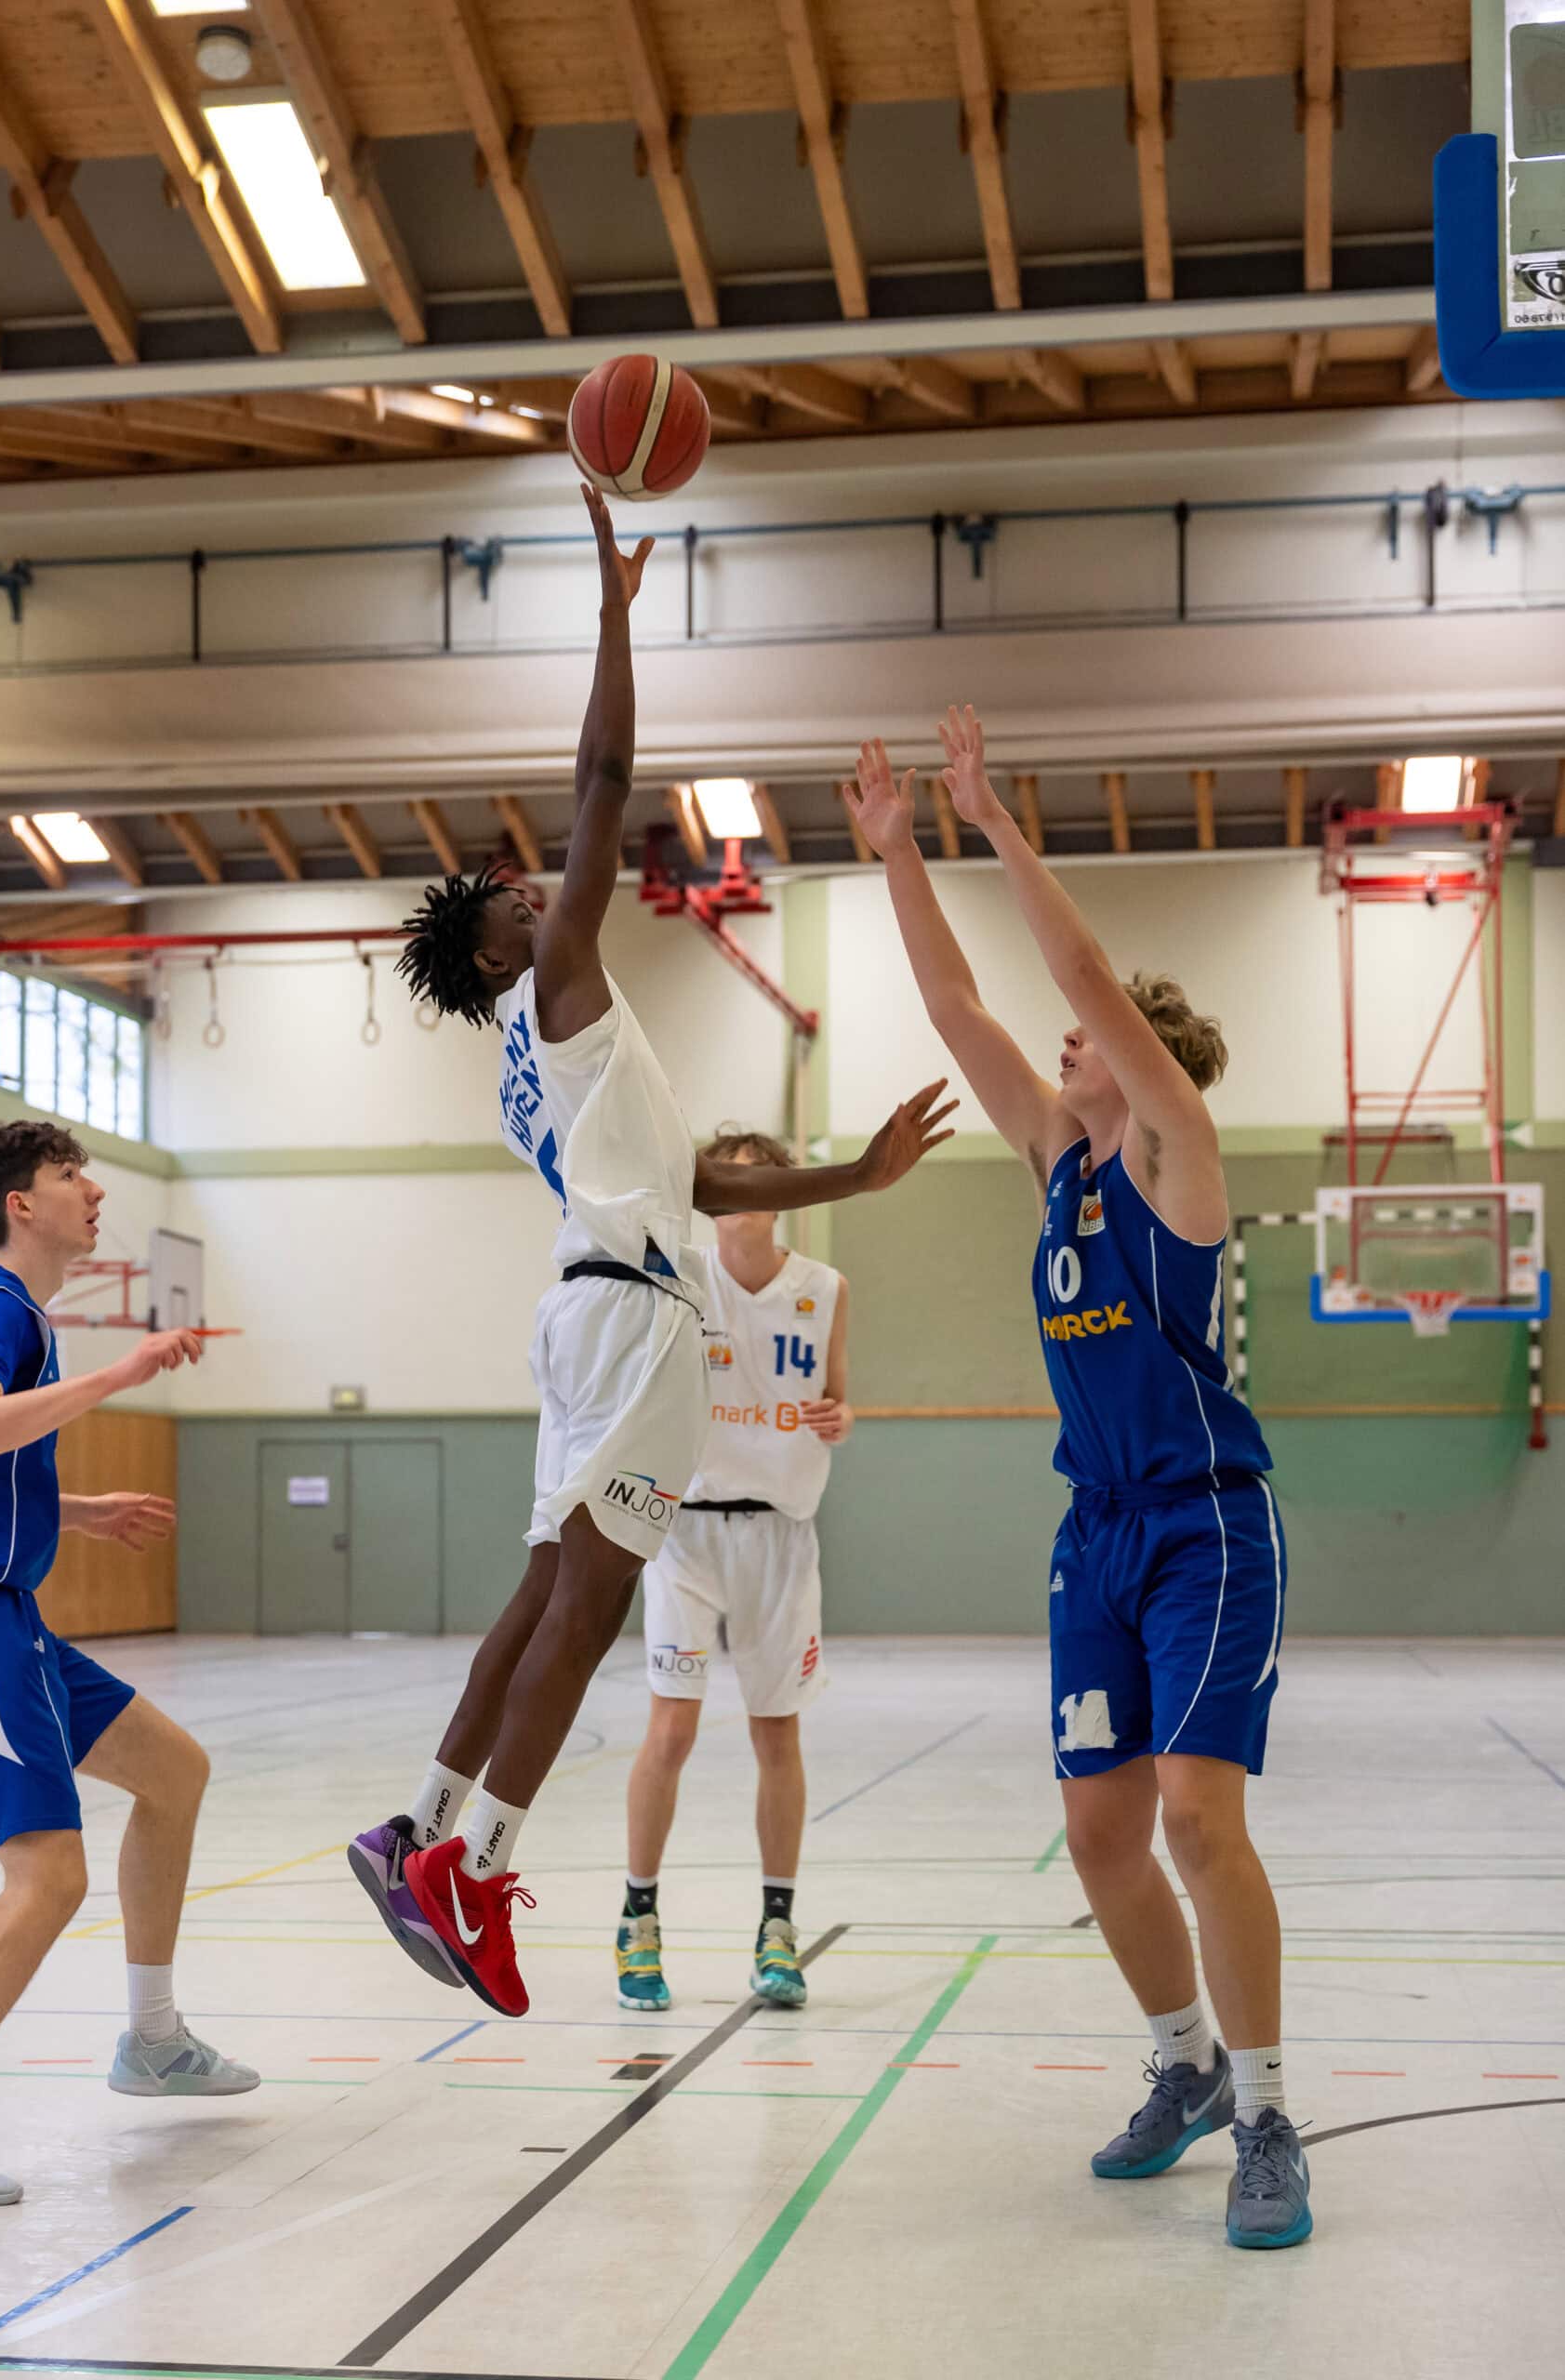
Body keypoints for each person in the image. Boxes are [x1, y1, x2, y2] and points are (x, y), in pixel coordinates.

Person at [349, 485, 954, 2022]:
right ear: (499, 946)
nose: (539, 885)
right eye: (513, 895)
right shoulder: (551, 977)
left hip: (581, 1315)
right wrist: (616, 607)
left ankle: (417, 1818)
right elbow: (607, 772)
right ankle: (472, 1873)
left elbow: (697, 1175)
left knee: (548, 1585)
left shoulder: (531, 1056)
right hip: (636, 1332)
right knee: (595, 1603)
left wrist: (854, 1177)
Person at [842, 707, 1308, 2253]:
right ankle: (1176, 2066)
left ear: (1147, 1066)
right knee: (1100, 1833)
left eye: (1094, 1040)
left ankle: (1263, 2114)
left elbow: (1074, 981)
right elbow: (955, 996)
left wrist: (988, 818)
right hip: (1093, 1536)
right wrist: (898, 852)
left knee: (1192, 1817)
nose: (1062, 1048)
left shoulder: (1179, 1155)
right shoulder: (1058, 1168)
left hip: (1204, 1532)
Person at [0, 1119, 259, 2211]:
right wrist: (129, 1370)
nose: (93, 1190)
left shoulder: (22, 1314)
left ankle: (152, 2037)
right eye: (67, 1177)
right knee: (49, 1876)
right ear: (20, 1205)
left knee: (173, 1773)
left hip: (22, 1612)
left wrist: (78, 1510)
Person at [616, 1128, 851, 2016]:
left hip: (780, 1540)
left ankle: (777, 1931)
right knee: (670, 1732)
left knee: (775, 1736)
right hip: (685, 1536)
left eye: (760, 1180)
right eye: (726, 1181)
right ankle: (638, 1918)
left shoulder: (824, 1288)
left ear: (784, 1194)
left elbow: (838, 1396)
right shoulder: (673, 1278)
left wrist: (838, 1417)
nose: (741, 1194)